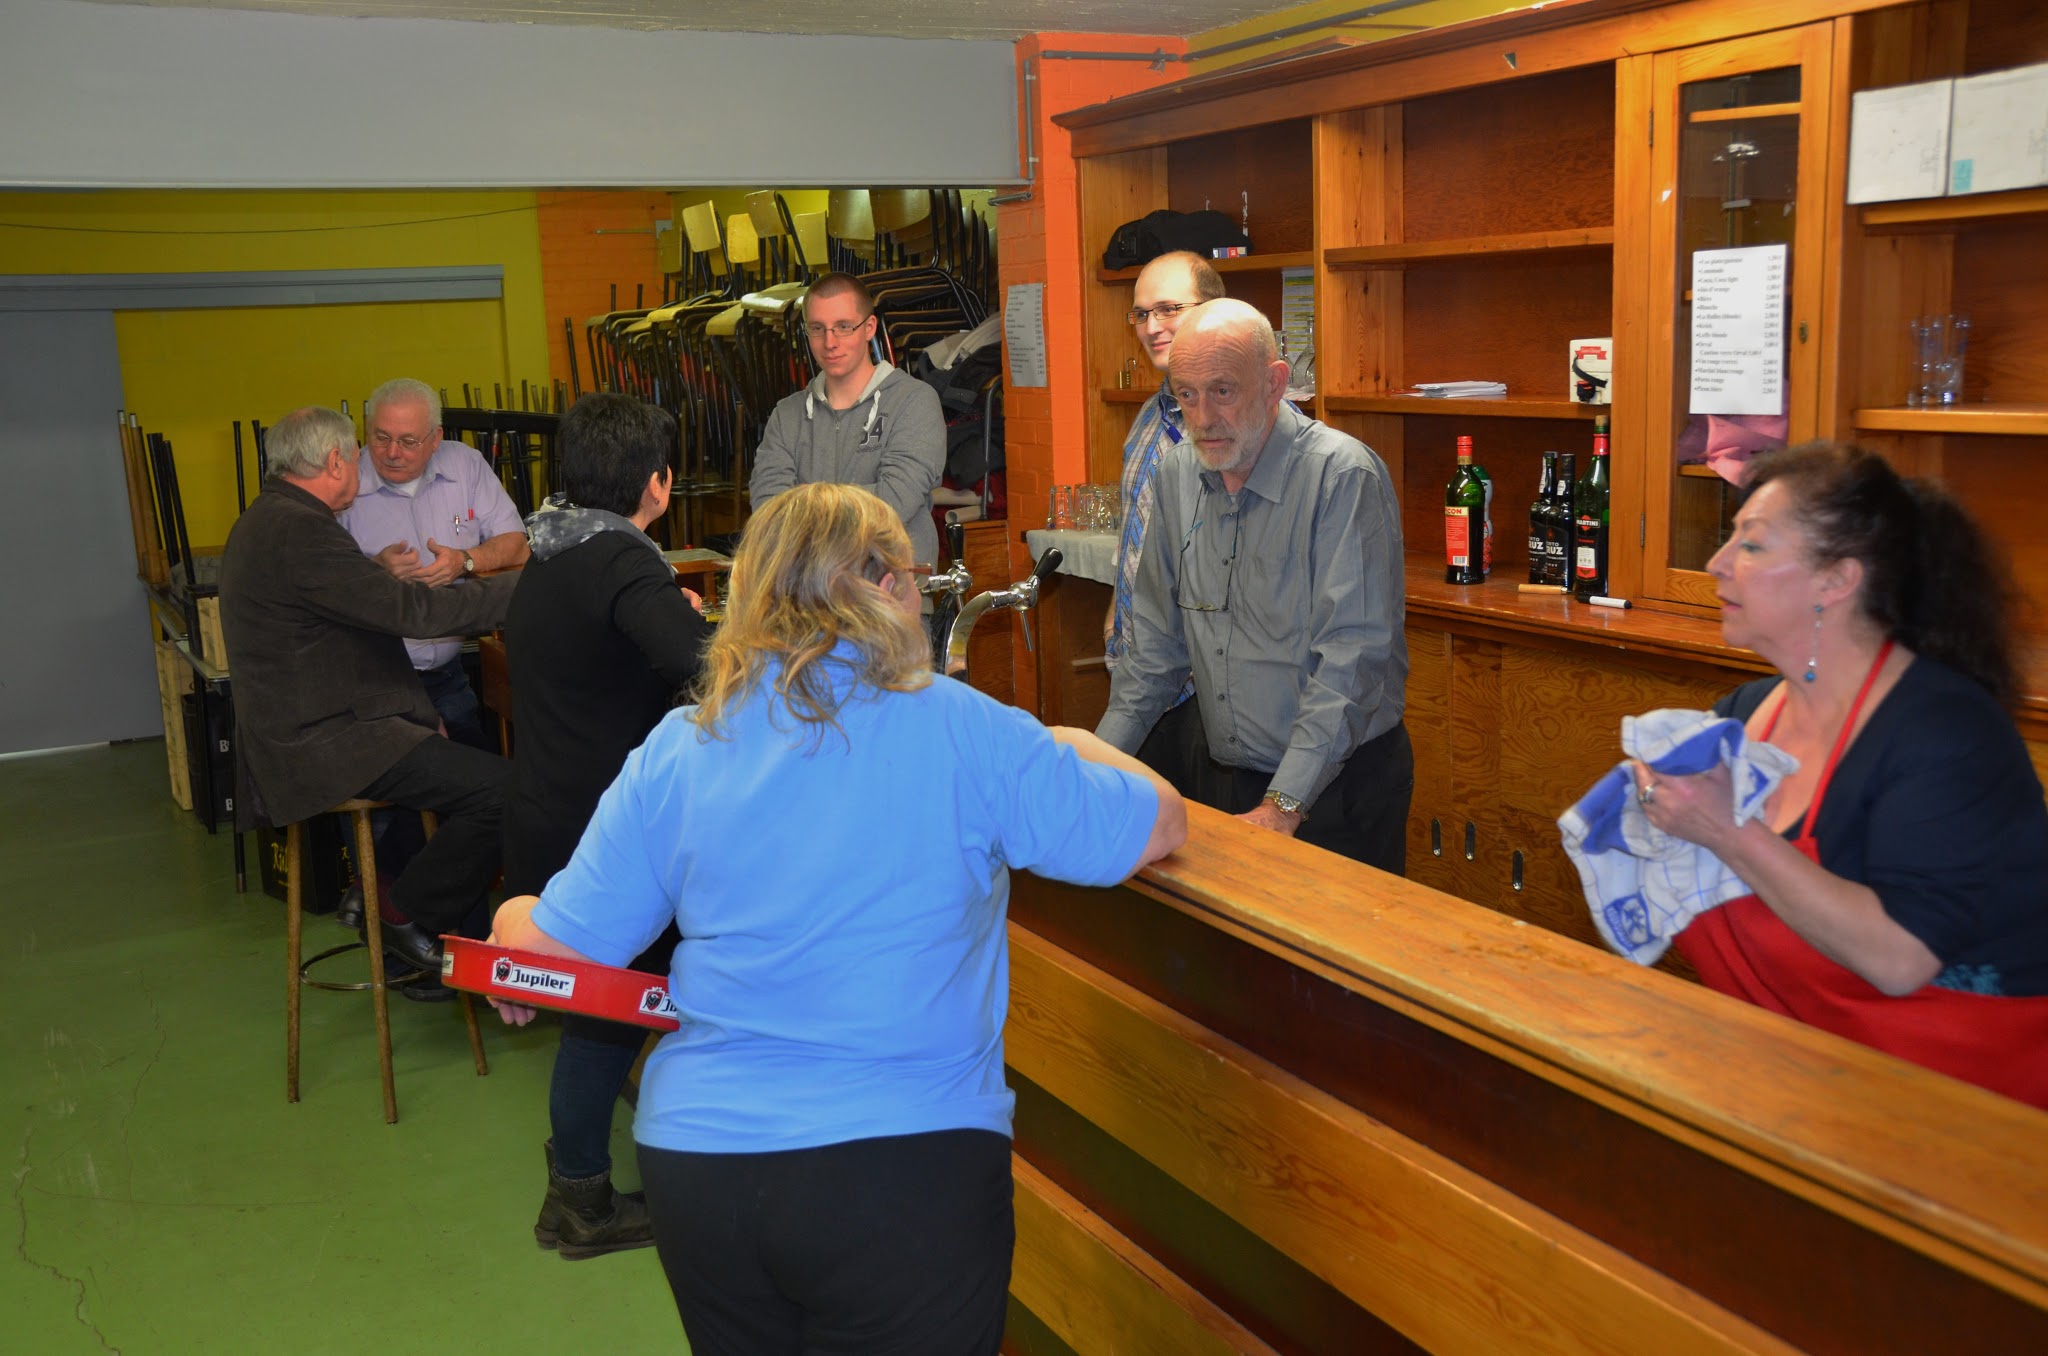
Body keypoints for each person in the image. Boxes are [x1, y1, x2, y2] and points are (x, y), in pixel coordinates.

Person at [489, 482, 1185, 1354]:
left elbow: (550, 953)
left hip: (705, 1170)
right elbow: (1156, 825)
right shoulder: (965, 730)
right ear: (887, 588)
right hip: (902, 1167)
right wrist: (1075, 744)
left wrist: (518, 908)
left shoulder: (685, 742)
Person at [1636, 443, 2048, 1108]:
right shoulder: (1743, 715)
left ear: (1836, 581)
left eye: (1752, 544)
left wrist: (1725, 830)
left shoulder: (1946, 737)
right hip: (1811, 1077)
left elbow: (1899, 960)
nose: (1715, 564)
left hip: (1969, 1105)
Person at [501, 393, 714, 1260]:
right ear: (656, 484)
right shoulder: (624, 563)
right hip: (608, 828)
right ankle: (587, 1194)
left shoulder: (549, 548)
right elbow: (704, 669)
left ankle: (579, 1187)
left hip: (549, 803)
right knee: (621, 1011)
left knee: (606, 1009)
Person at [1095, 299, 1412, 873]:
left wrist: (1283, 805)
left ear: (1274, 384)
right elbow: (1155, 654)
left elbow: (1351, 662)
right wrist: (1094, 768)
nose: (1203, 418)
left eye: (1222, 391)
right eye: (1186, 395)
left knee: (1325, 961)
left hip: (1334, 788)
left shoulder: (1342, 476)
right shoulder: (1176, 477)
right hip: (1228, 780)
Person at [218, 406, 515, 979]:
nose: (363, 460)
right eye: (358, 450)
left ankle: (375, 887)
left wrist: (419, 712)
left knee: (458, 765)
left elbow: (350, 631)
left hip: (331, 724)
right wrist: (523, 588)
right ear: (335, 461)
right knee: (508, 791)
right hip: (324, 742)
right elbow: (416, 615)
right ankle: (404, 911)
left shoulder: (274, 518)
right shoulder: (297, 530)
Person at [339, 377, 529, 750]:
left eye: (408, 441)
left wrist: (466, 560)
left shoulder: (465, 464)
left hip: (448, 674)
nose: (392, 452)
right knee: (399, 798)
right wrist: (375, 571)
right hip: (371, 681)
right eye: (380, 437)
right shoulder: (343, 482)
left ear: (435, 438)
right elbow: (319, 583)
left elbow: (517, 545)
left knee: (477, 777)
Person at [1103, 250, 1224, 787]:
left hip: (1209, 690)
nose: (1152, 327)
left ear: (1214, 309)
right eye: (1141, 313)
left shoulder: (1240, 428)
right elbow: (1138, 531)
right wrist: (1115, 608)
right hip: (1140, 677)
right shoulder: (1148, 420)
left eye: (1169, 309)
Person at [748, 272, 947, 571]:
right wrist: (858, 498)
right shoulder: (787, 415)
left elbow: (892, 503)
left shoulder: (914, 402)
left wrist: (804, 506)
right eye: (818, 328)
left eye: (843, 327)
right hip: (808, 598)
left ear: (869, 328)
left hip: (889, 602)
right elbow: (768, 511)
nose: (830, 342)